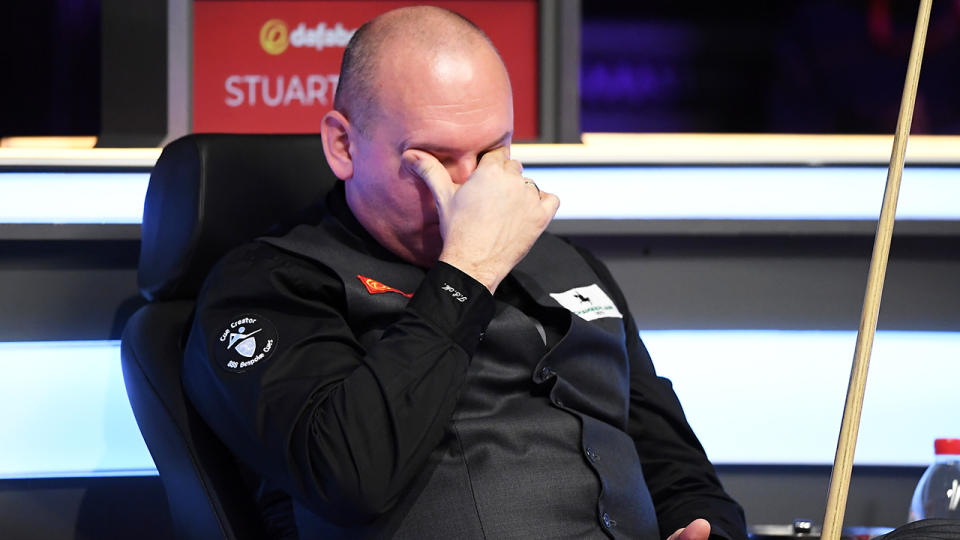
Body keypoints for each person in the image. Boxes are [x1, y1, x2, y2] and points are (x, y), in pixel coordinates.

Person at [182, 6, 747, 539]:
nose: (470, 188)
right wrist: (468, 270)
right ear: (343, 145)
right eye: (431, 159)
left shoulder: (567, 263)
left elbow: (680, 469)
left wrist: (705, 525)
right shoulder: (271, 285)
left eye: (492, 152)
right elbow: (348, 476)